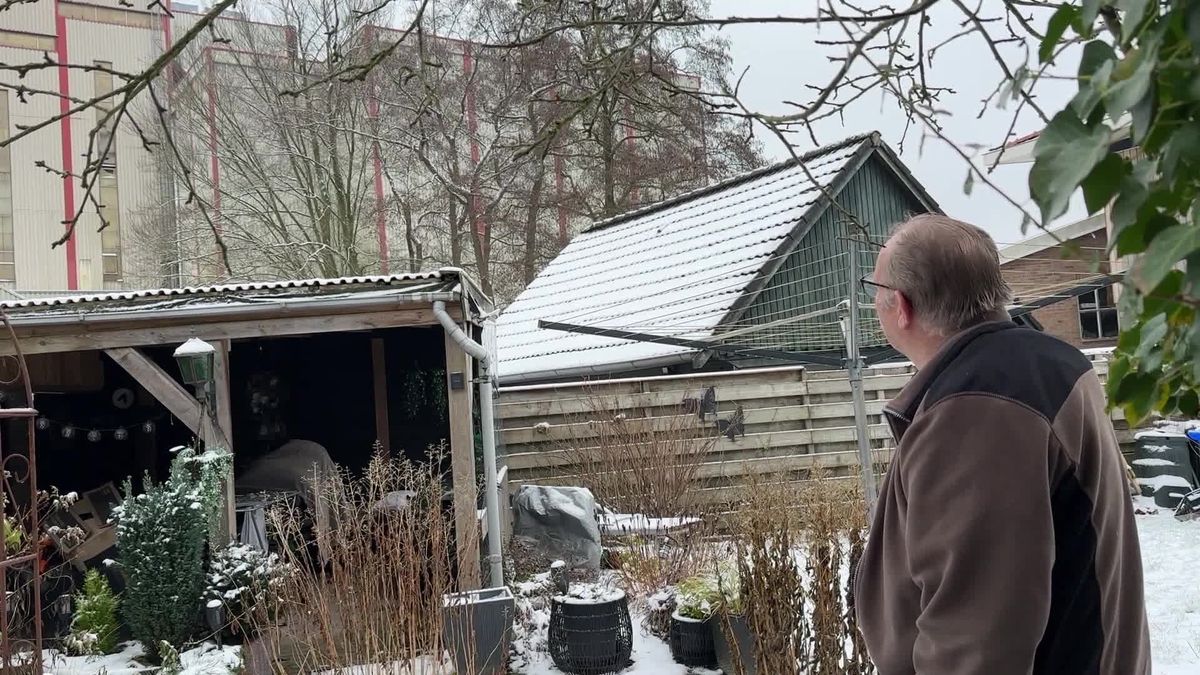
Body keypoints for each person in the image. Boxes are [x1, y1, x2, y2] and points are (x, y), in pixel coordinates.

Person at [852, 214, 1150, 675]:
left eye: (876, 289)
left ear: (903, 307)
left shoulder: (977, 407)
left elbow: (975, 640)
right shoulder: (1050, 363)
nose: (873, 302)